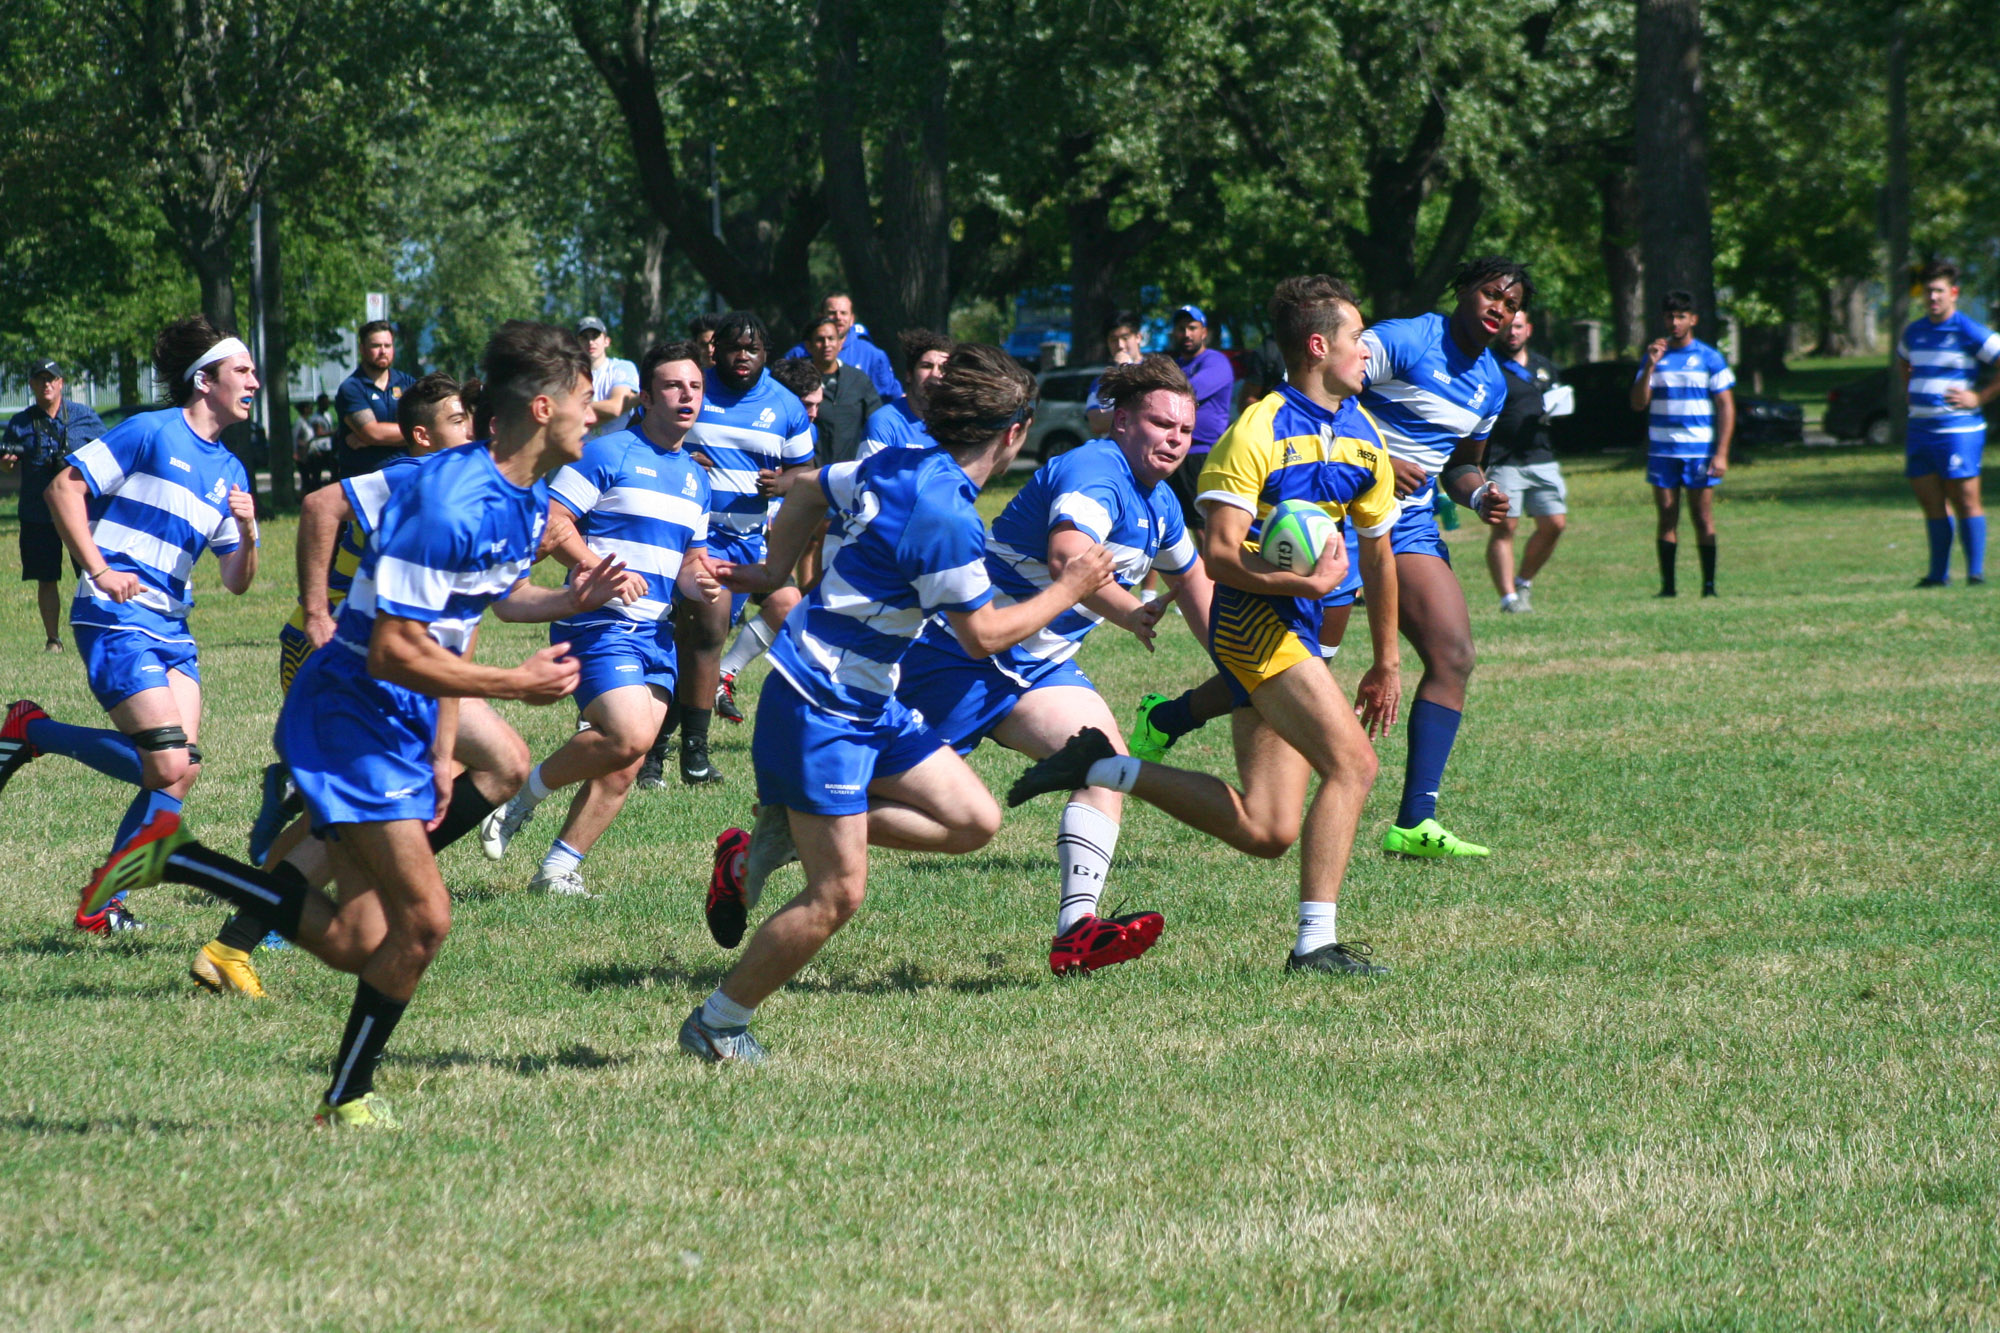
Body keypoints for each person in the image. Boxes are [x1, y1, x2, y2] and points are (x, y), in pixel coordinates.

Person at [66, 320, 642, 1130]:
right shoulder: (450, 498)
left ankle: (178, 858)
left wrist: (565, 602)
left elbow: (484, 602)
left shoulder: (525, 502)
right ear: (543, 407)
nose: (599, 410)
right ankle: (346, 1094)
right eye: (587, 397)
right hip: (352, 711)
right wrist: (512, 684)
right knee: (426, 921)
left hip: (400, 717)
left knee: (357, 939)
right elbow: (393, 650)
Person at [685, 344, 1115, 1064]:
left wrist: (772, 570)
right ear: (1015, 432)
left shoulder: (900, 462)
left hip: (869, 698)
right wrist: (1070, 589)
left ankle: (788, 832)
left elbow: (810, 487)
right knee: (837, 894)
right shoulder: (947, 515)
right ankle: (718, 1022)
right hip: (820, 701)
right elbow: (982, 636)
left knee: (974, 820)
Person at [1010, 274, 1401, 977]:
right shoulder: (1259, 430)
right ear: (1319, 346)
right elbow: (1219, 557)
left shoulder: (1365, 436)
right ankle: (1315, 945)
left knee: (1267, 829)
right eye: (1357, 338)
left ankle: (1105, 766)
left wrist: (1387, 660)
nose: (1367, 351)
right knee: (1355, 764)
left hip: (1300, 626)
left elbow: (1377, 551)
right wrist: (1301, 583)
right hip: (1253, 622)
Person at [889, 355, 1213, 975]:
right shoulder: (1095, 469)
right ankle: (758, 848)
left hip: (1038, 669)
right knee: (882, 793)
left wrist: (1247, 668)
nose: (1175, 439)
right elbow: (1070, 558)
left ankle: (1077, 932)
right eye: (1160, 423)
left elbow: (1197, 589)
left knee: (1105, 763)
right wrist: (1131, 611)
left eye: (1185, 429)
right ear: (1123, 421)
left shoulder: (1161, 501)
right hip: (958, 655)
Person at [211, 373, 529, 998]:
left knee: (500, 765)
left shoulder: (486, 488)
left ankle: (254, 921)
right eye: (456, 419)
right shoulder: (422, 475)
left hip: (412, 667)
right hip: (352, 658)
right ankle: (249, 922)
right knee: (358, 814)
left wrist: (577, 588)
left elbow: (491, 600)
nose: (467, 428)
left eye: (468, 418)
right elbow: (318, 506)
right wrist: (315, 610)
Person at [0, 319, 261, 935]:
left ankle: (101, 905)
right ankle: (33, 730)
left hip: (172, 627)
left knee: (180, 771)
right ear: (205, 380)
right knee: (168, 764)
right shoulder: (151, 430)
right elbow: (62, 490)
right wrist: (99, 568)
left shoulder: (231, 469)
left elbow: (236, 580)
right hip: (114, 614)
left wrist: (249, 531)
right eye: (243, 370)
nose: (255, 381)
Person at [478, 342, 724, 895]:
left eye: (695, 387)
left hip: (657, 632)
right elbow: (553, 522)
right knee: (628, 734)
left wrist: (700, 581)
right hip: (599, 623)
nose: (686, 396)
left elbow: (689, 561)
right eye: (672, 386)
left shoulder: (697, 478)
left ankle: (557, 871)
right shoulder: (607, 453)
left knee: (625, 761)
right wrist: (594, 566)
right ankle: (521, 799)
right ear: (647, 397)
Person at [641, 310, 812, 788]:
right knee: (704, 631)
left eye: (752, 349)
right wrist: (680, 455)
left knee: (709, 637)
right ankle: (684, 753)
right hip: (690, 533)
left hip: (747, 540)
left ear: (766, 354)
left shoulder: (786, 406)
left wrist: (784, 483)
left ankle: (666, 747)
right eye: (734, 347)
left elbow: (806, 470)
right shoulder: (693, 390)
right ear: (715, 349)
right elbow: (647, 436)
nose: (743, 356)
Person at [1896, 261, 2000, 586]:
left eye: (1939, 291)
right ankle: (1938, 575)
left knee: (1965, 498)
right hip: (1920, 429)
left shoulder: (1967, 329)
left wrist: (1979, 397)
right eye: (1928, 291)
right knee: (1930, 501)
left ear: (1953, 293)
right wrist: (1912, 391)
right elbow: (1903, 360)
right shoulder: (1914, 331)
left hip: (1958, 430)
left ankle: (1975, 573)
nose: (1933, 297)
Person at [1630, 288, 1734, 598]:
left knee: (1702, 517)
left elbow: (1726, 406)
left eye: (1681, 317)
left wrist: (1721, 453)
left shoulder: (1709, 357)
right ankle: (1668, 587)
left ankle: (1709, 587)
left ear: (1693, 320)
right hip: (1663, 450)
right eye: (1669, 317)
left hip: (1699, 450)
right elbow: (1638, 403)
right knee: (1666, 515)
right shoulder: (1656, 355)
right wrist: (1649, 366)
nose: (1675, 323)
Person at [3, 359, 105, 653]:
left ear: (61, 383)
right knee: (46, 578)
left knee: (90, 574)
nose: (46, 384)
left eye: (51, 379)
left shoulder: (85, 417)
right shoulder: (20, 423)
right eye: (40, 379)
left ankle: (96, 634)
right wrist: (7, 464)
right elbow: (7, 467)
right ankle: (53, 639)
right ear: (32, 385)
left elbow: (107, 454)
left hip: (80, 511)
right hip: (38, 512)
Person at [1485, 310, 1569, 612]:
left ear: (1528, 330)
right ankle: (1509, 599)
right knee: (1505, 528)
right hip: (1502, 458)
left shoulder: (1543, 367)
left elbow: (1557, 399)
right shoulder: (1487, 364)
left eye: (1518, 326)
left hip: (1540, 455)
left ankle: (1523, 582)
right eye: (1507, 326)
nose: (1512, 332)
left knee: (1555, 523)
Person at [1164, 304, 1237, 530]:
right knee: (1169, 526)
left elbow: (1188, 393)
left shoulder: (1216, 361)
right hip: (1173, 454)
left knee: (1204, 526)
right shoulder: (1175, 366)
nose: (1186, 334)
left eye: (1192, 328)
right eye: (1181, 328)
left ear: (1204, 332)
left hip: (1203, 455)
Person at [332, 320, 417, 478]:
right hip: (365, 480)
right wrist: (414, 435)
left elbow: (428, 425)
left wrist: (372, 438)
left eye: (388, 345)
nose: (383, 351)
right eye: (376, 346)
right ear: (362, 349)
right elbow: (372, 433)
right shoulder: (352, 388)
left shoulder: (408, 383)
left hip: (405, 476)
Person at [785, 291, 902, 403]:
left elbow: (890, 398)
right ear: (821, 317)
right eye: (832, 313)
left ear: (852, 319)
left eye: (843, 313)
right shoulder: (797, 355)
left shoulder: (872, 355)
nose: (838, 317)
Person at [795, 314, 881, 465]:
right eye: (820, 340)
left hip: (850, 470)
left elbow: (876, 422)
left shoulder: (859, 380)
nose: (826, 344)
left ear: (841, 343)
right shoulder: (796, 380)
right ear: (808, 346)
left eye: (831, 338)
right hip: (809, 469)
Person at [856, 329, 952, 459]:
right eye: (927, 366)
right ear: (909, 375)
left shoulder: (956, 425)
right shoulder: (884, 422)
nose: (935, 374)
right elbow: (867, 471)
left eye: (943, 368)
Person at [1083, 310, 1147, 437]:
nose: (1120, 345)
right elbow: (1096, 423)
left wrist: (1127, 370)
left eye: (1125, 338)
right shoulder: (1102, 381)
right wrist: (1138, 415)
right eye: (1113, 340)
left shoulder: (1156, 370)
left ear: (1138, 337)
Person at [578, 316, 641, 438]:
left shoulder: (622, 367)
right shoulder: (570, 375)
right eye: (584, 337)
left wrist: (577, 406)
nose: (590, 342)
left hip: (619, 444)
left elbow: (615, 408)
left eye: (595, 336)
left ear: (606, 341)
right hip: (582, 447)